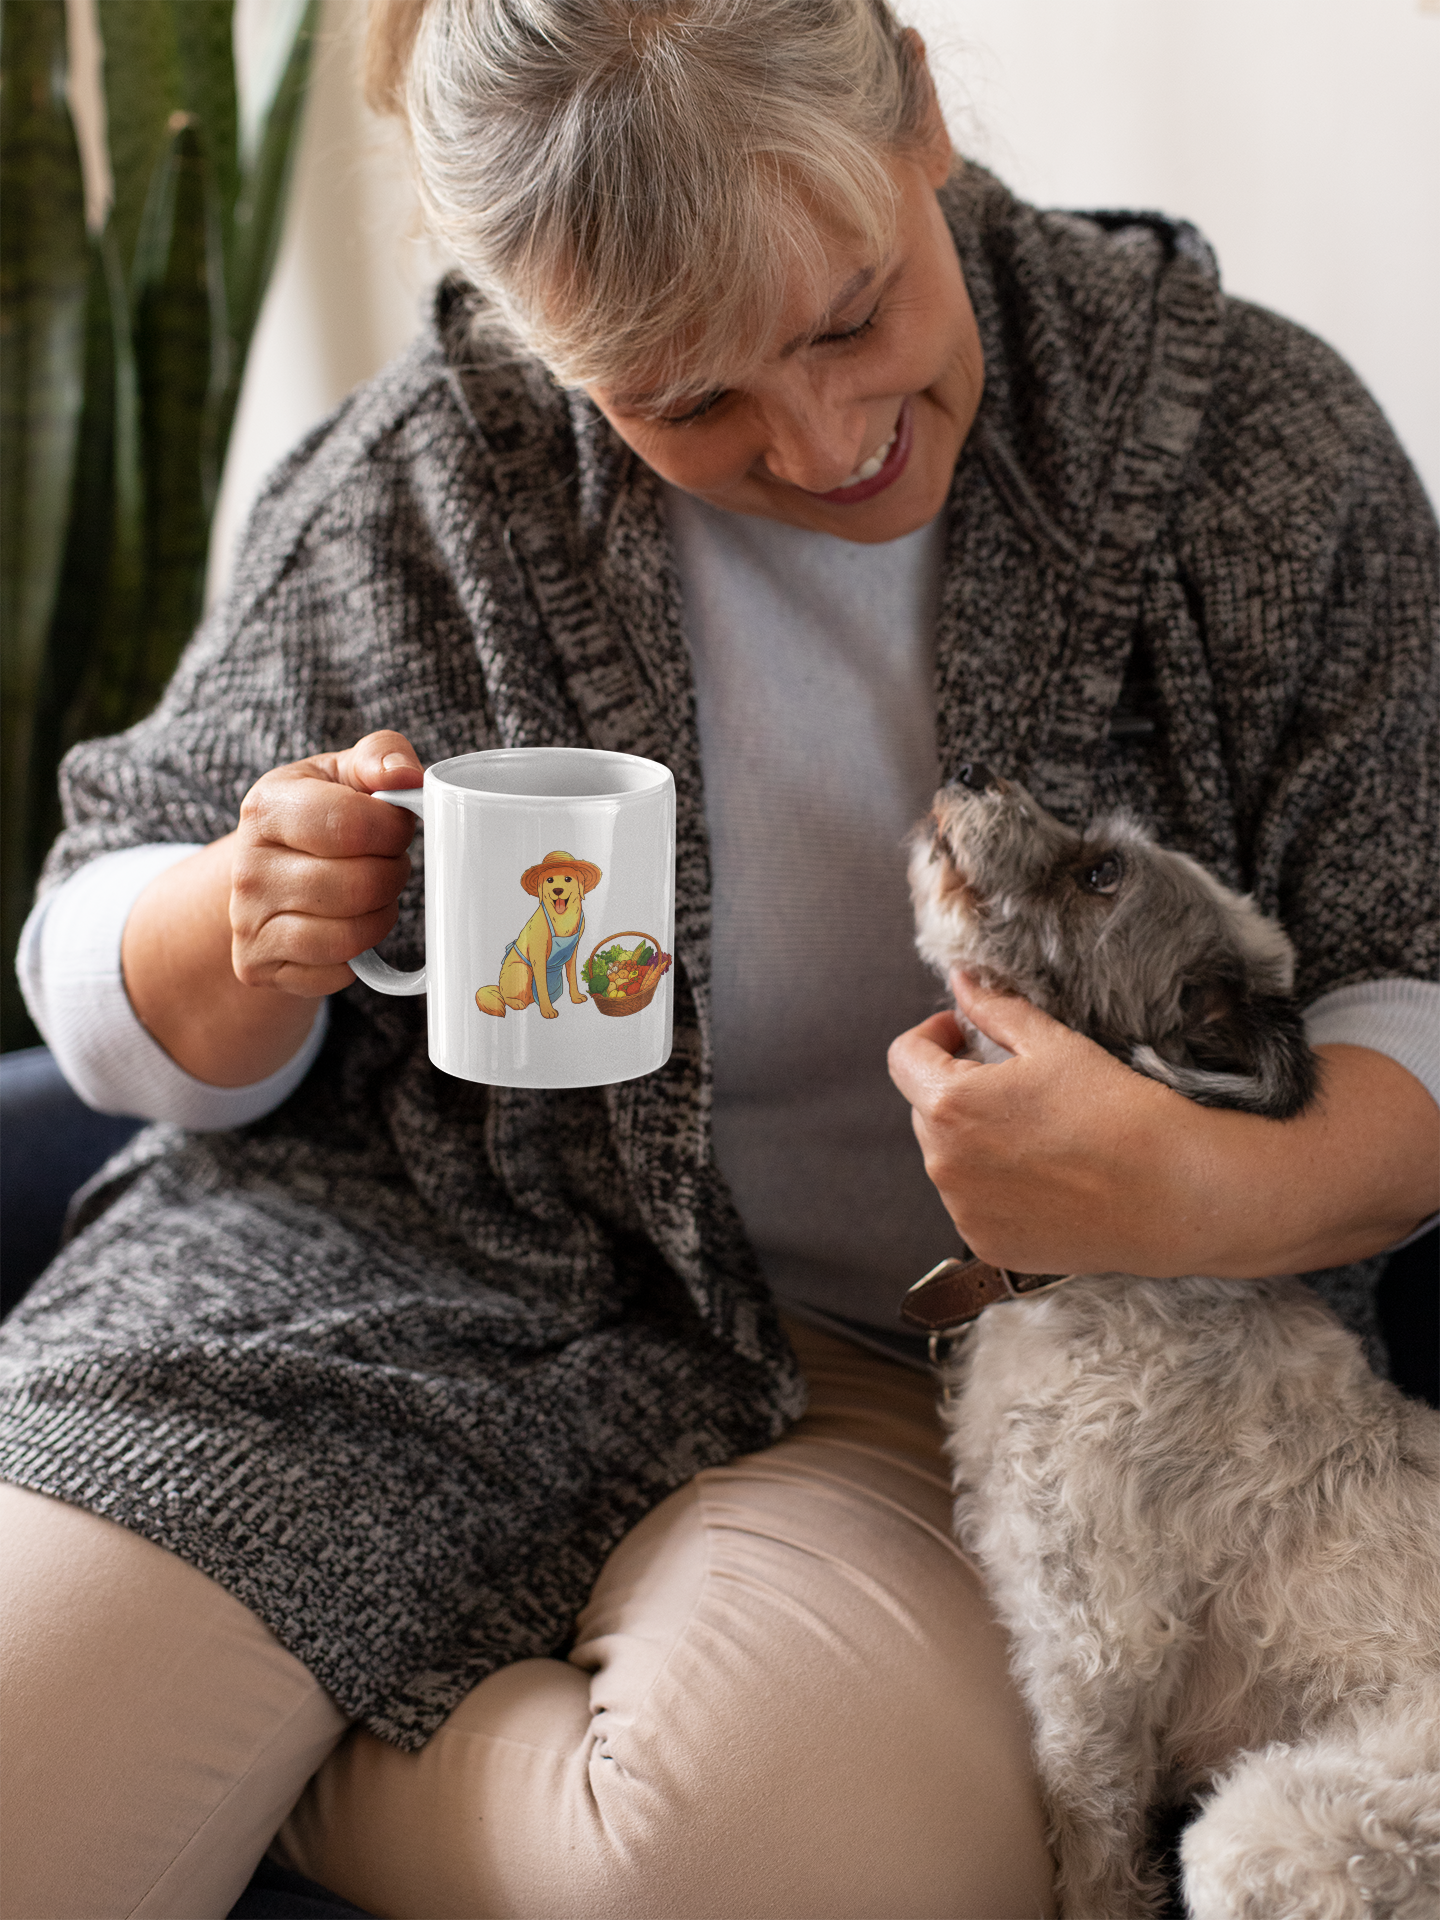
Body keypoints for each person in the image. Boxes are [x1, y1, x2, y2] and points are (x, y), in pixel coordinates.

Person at [5, 0, 1440, 1914]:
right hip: (366, 1291)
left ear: (919, 106)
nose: (829, 438)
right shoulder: (418, 492)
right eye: (684, 400)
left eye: (850, 317)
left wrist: (1205, 1192)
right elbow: (97, 951)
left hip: (905, 1381)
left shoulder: (1248, 451)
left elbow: (1408, 964)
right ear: (541, 338)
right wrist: (238, 929)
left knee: (810, 1866)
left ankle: (288, 1736)